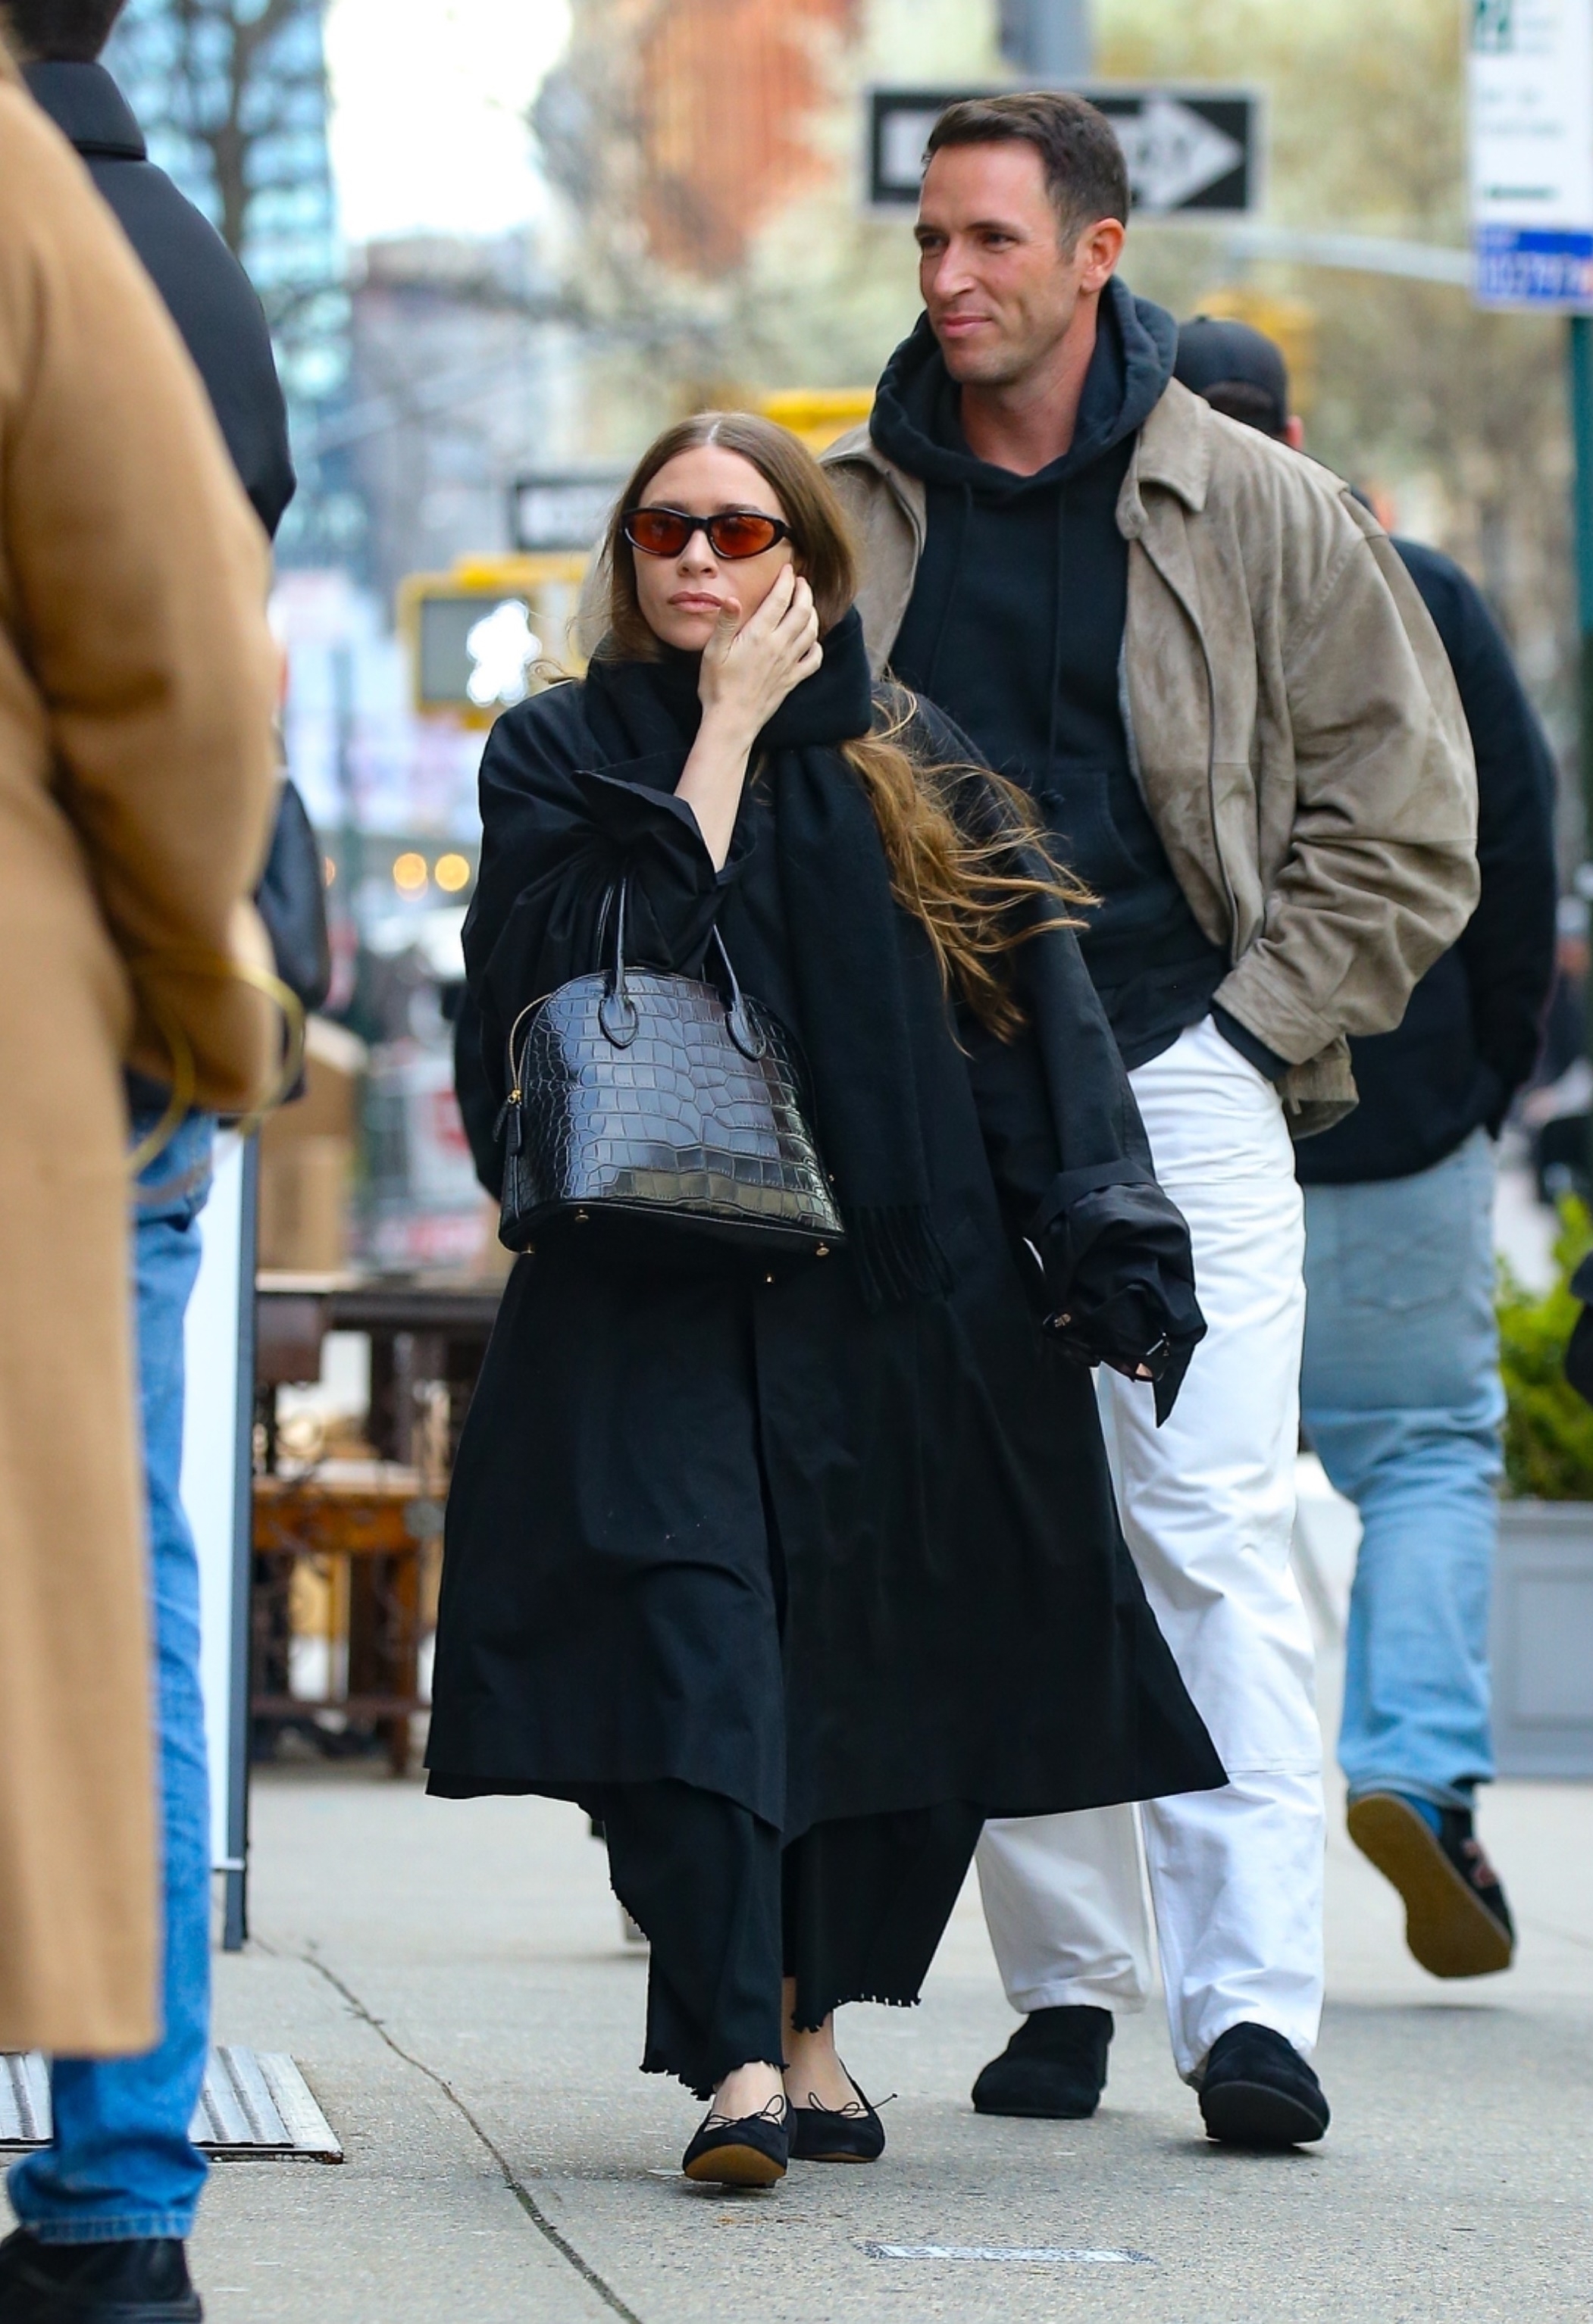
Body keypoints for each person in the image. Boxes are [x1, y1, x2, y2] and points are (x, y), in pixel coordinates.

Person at [427, 409, 1226, 2189]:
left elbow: (1037, 1026)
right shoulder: (558, 749)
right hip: (651, 1295)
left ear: (806, 556)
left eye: (741, 531)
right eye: (665, 531)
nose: (700, 561)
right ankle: (728, 2055)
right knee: (691, 1650)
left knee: (885, 1676)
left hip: (897, 1301)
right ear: (626, 558)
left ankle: (810, 2027)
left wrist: (1105, 1234)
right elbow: (570, 982)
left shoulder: (913, 758)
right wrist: (714, 741)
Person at [821, 92, 1478, 2146]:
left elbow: (1404, 817)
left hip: (1173, 1062)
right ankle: (1069, 1988)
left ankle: (1247, 2007)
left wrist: (1244, 1039)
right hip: (936, 1094)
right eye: (928, 239)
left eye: (989, 242)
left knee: (1205, 1526)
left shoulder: (1253, 503)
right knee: (1009, 1528)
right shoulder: (846, 507)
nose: (946, 278)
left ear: (1093, 252)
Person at [1174, 314, 1558, 1979]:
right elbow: (1514, 856)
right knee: (1419, 1451)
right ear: (1303, 428)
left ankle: (1197, 1814)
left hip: (1192, 1108)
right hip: (1396, 1111)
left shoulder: (1143, 594)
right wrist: (1482, 1083)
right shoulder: (1428, 598)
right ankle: (1412, 1764)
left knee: (1203, 1488)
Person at [0, 27, 277, 2324]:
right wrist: (206, 1003)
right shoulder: (139, 253)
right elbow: (183, 667)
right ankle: (108, 2190)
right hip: (52, 1024)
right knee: (105, 1572)